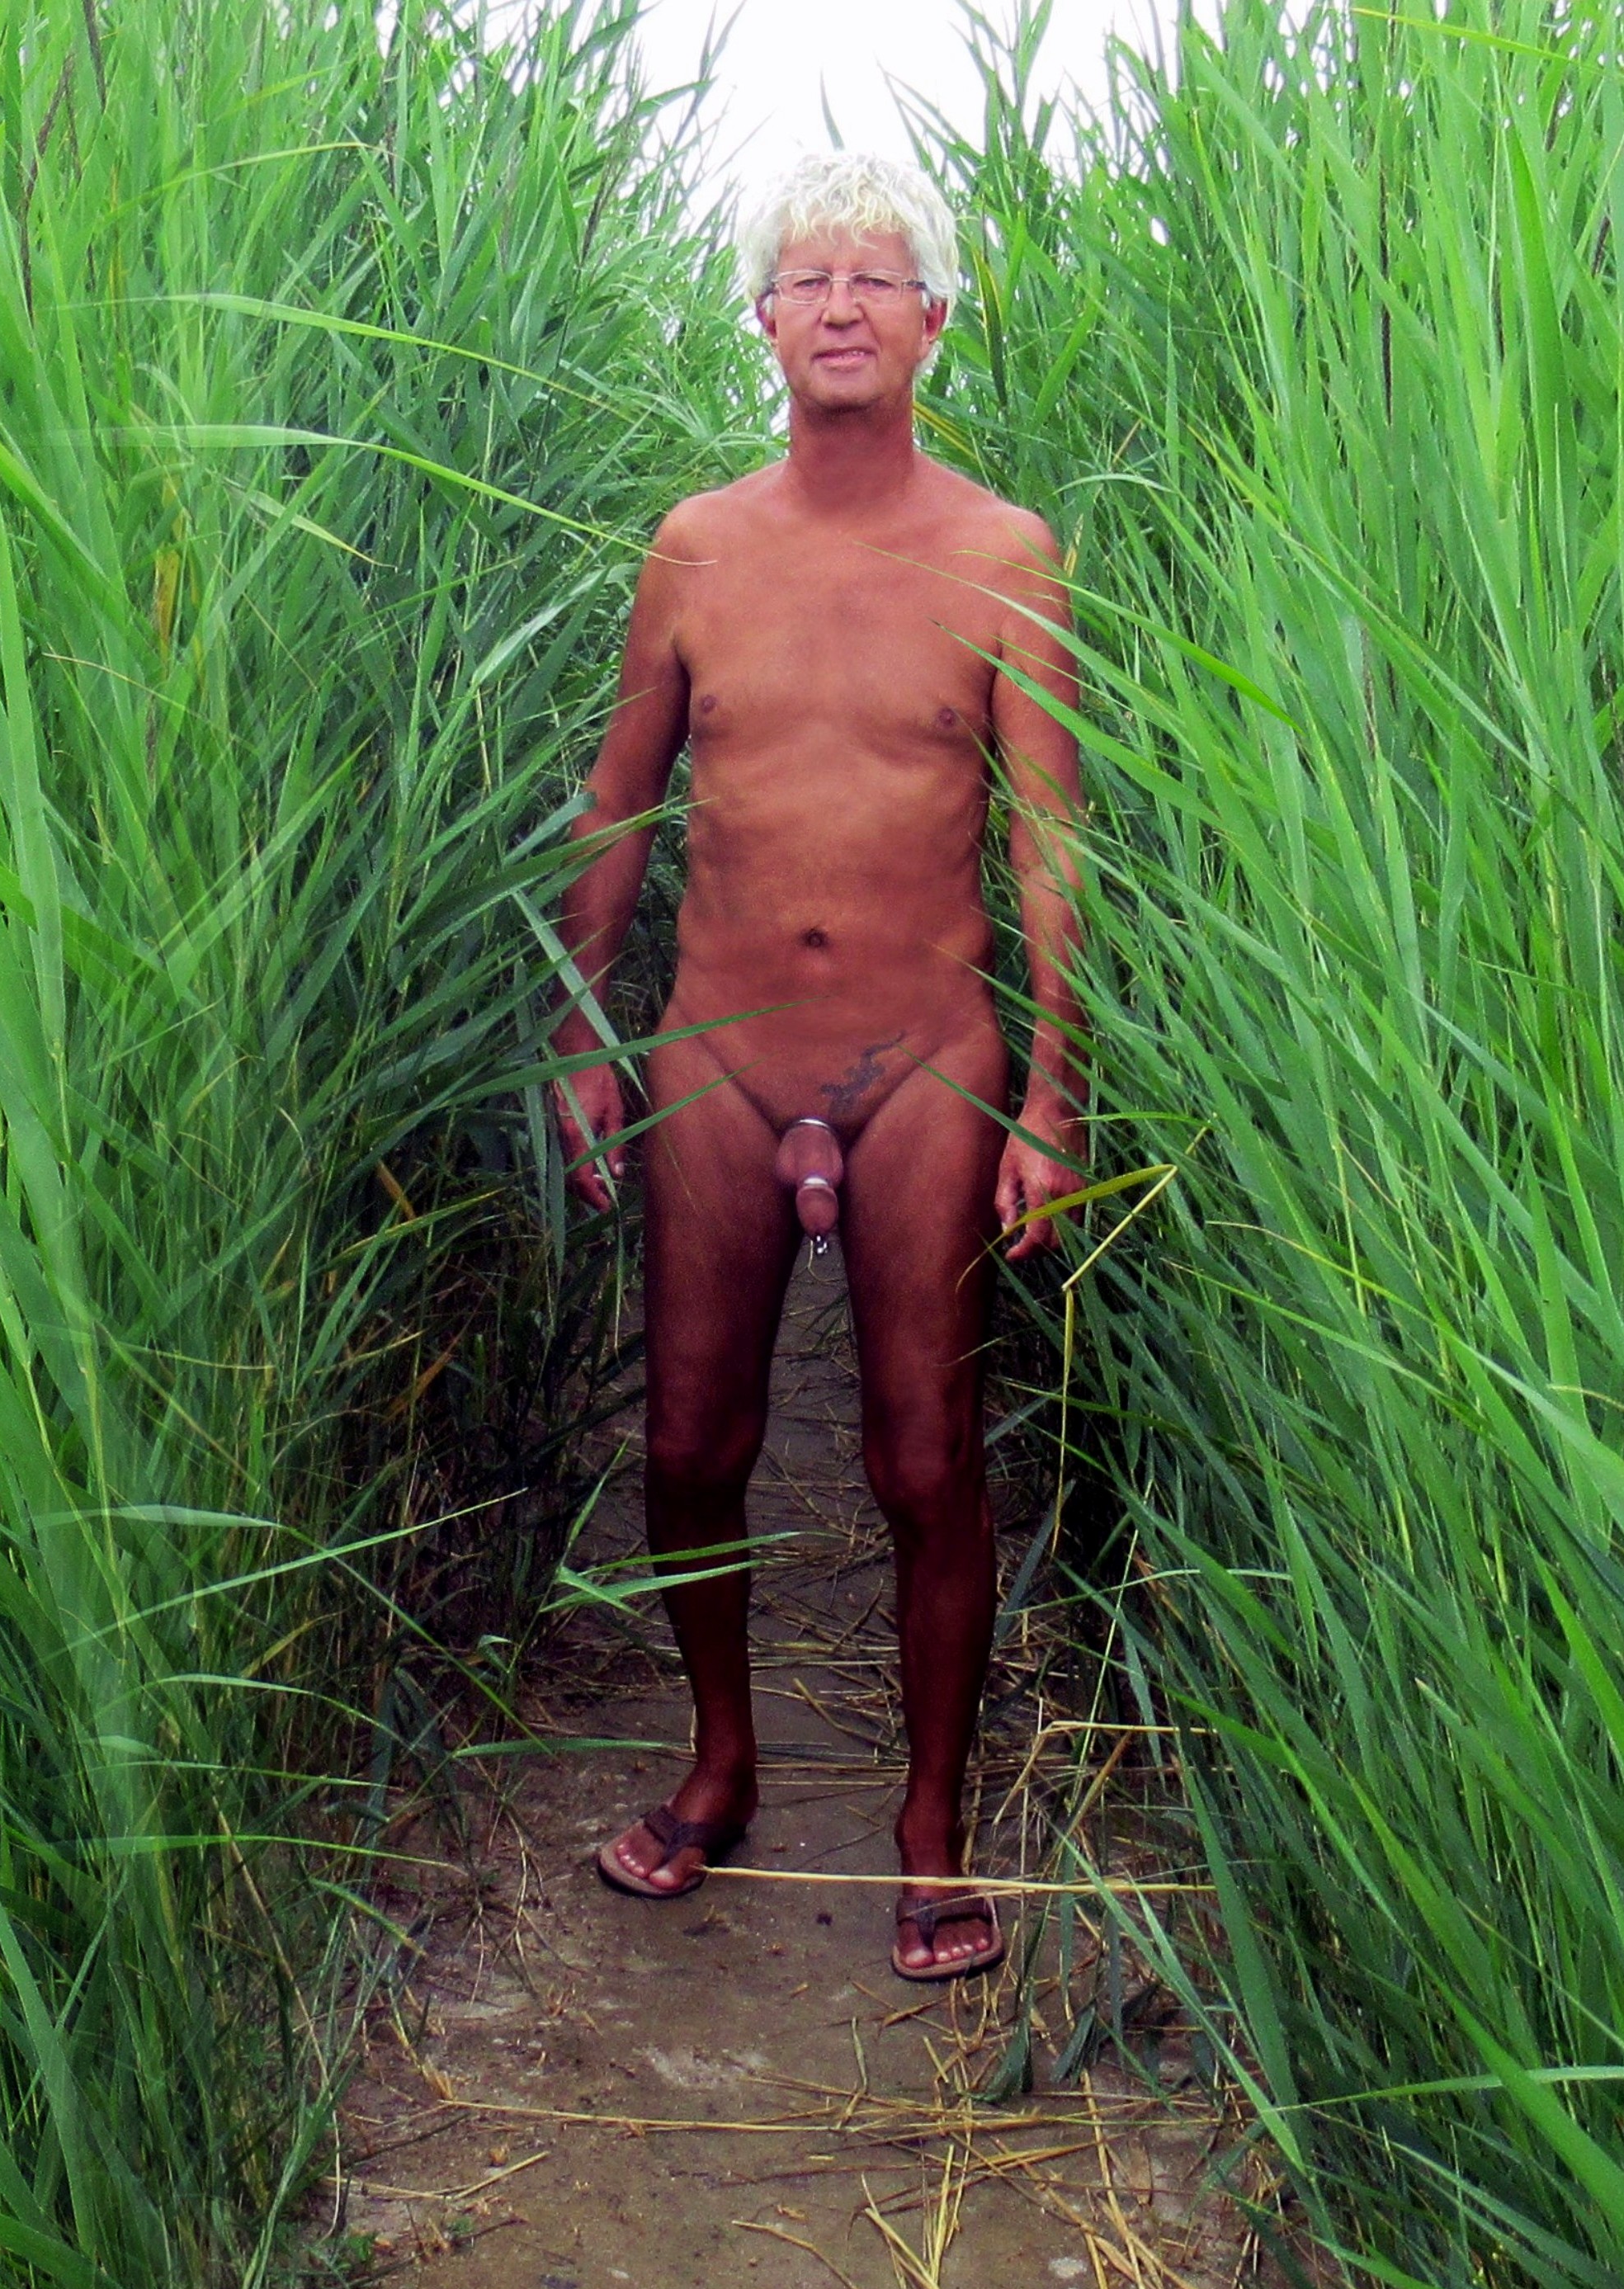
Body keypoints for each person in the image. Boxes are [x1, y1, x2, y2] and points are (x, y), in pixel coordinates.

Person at [546, 153, 1087, 1985]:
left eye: (875, 276)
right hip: (716, 1047)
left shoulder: (1001, 554)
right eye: (806, 277)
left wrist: (1052, 1095)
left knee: (924, 1459)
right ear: (762, 322)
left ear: (931, 320)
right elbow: (620, 799)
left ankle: (931, 1820)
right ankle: (720, 1757)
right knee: (689, 1442)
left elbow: (1047, 844)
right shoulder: (697, 547)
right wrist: (582, 1027)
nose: (839, 303)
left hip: (924, 1056)